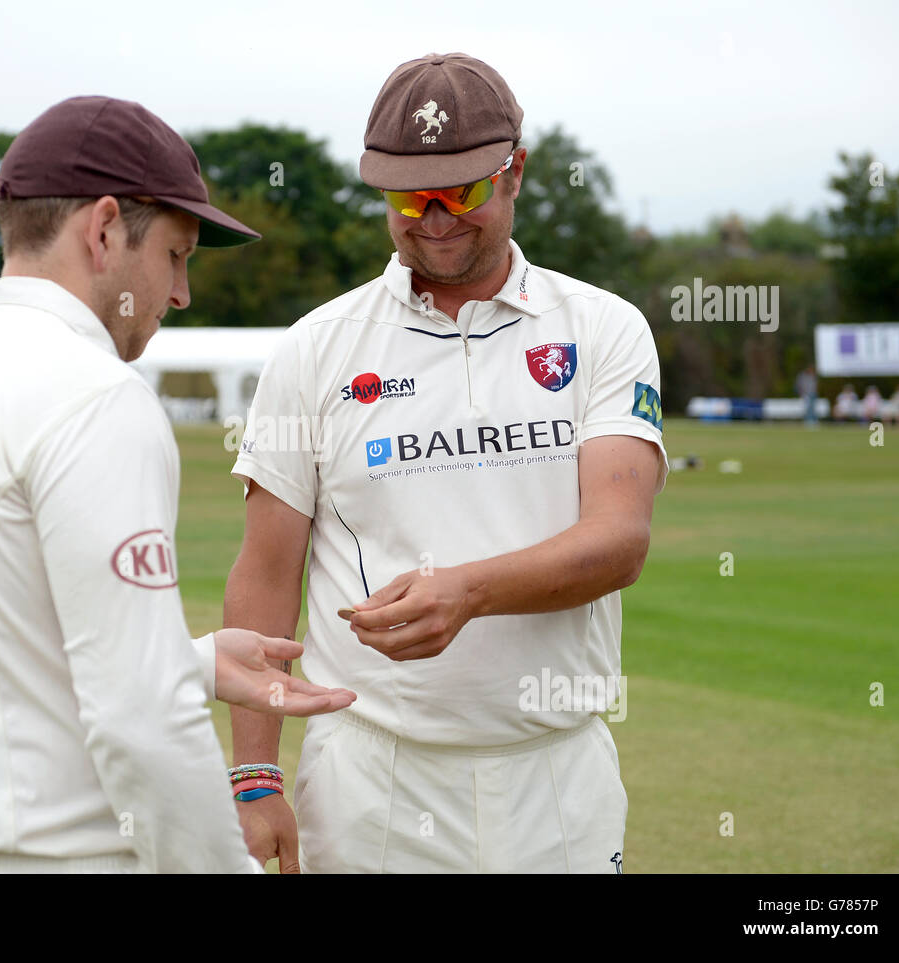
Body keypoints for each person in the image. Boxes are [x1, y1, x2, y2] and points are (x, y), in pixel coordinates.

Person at [0, 96, 355, 874]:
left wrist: (182, 659)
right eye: (176, 255)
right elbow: (141, 720)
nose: (182, 293)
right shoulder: (92, 394)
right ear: (101, 230)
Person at [226, 52, 667, 874]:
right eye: (405, 196)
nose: (431, 218)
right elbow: (265, 571)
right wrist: (255, 776)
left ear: (515, 173)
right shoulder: (316, 347)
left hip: (556, 769)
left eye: (459, 192)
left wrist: (466, 591)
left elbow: (619, 540)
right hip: (372, 772)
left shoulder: (603, 328)